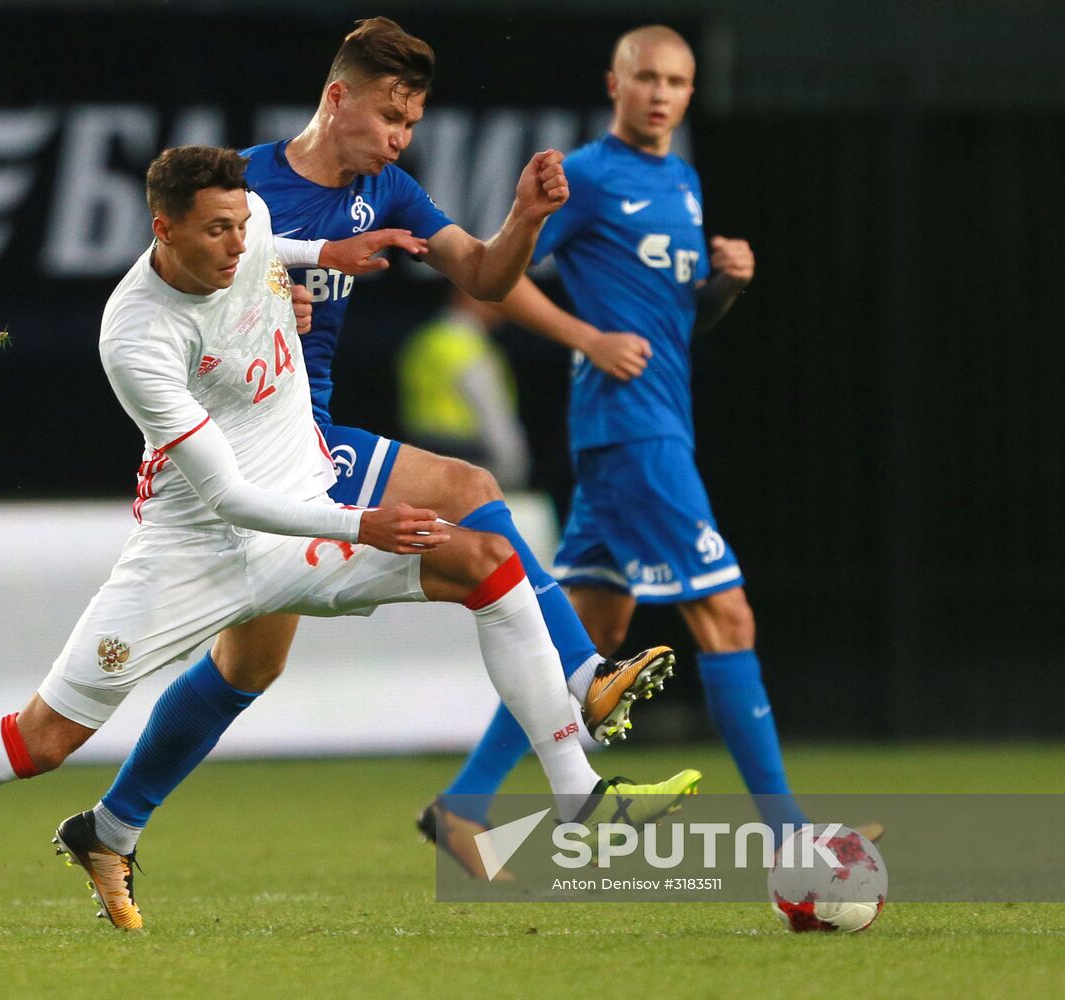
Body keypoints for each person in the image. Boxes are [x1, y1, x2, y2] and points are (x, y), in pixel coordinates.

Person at [0, 146, 700, 936]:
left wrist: (339, 251)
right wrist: (362, 523)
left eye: (245, 225)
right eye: (217, 230)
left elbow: (279, 241)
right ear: (162, 230)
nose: (239, 246)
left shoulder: (245, 242)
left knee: (488, 560)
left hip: (303, 517)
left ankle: (578, 800)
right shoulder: (134, 336)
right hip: (196, 553)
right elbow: (233, 498)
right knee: (42, 739)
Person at [94, 16, 682, 885]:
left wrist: (522, 218)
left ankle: (111, 825)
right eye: (389, 117)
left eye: (412, 122)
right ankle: (583, 678)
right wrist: (253, 308)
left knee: (251, 664)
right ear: (337, 100)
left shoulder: (391, 193)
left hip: (298, 438)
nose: (401, 137)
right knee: (466, 484)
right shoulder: (243, 188)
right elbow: (160, 295)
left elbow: (484, 277)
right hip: (263, 443)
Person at [490, 25, 806, 832]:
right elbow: (497, 282)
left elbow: (674, 321)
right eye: (646, 78)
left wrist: (726, 286)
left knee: (591, 631)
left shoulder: (685, 181)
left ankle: (460, 809)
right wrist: (586, 337)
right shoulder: (588, 177)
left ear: (689, 92)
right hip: (632, 429)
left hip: (655, 421)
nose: (660, 93)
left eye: (675, 80)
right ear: (614, 84)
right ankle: (788, 837)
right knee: (727, 617)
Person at [397, 288, 529, 490]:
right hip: (467, 458)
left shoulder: (425, 340)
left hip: (419, 456)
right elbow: (492, 412)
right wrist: (513, 465)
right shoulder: (469, 347)